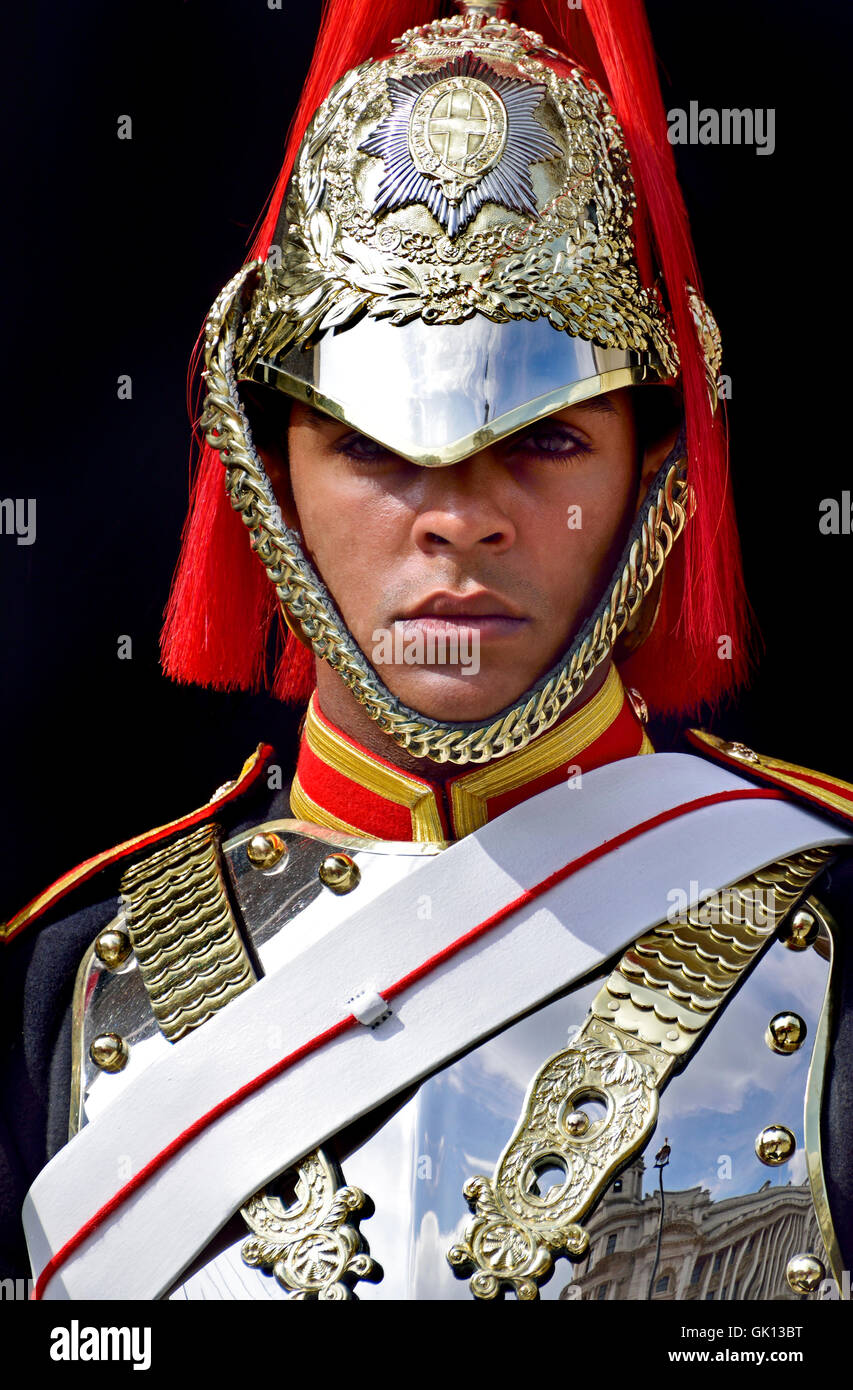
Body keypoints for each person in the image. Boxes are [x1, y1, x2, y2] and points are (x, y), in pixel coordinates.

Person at [3, 0, 852, 1303]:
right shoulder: (77, 974)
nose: (459, 511)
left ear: (652, 476)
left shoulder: (832, 945)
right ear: (265, 470)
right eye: (376, 444)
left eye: (545, 435)